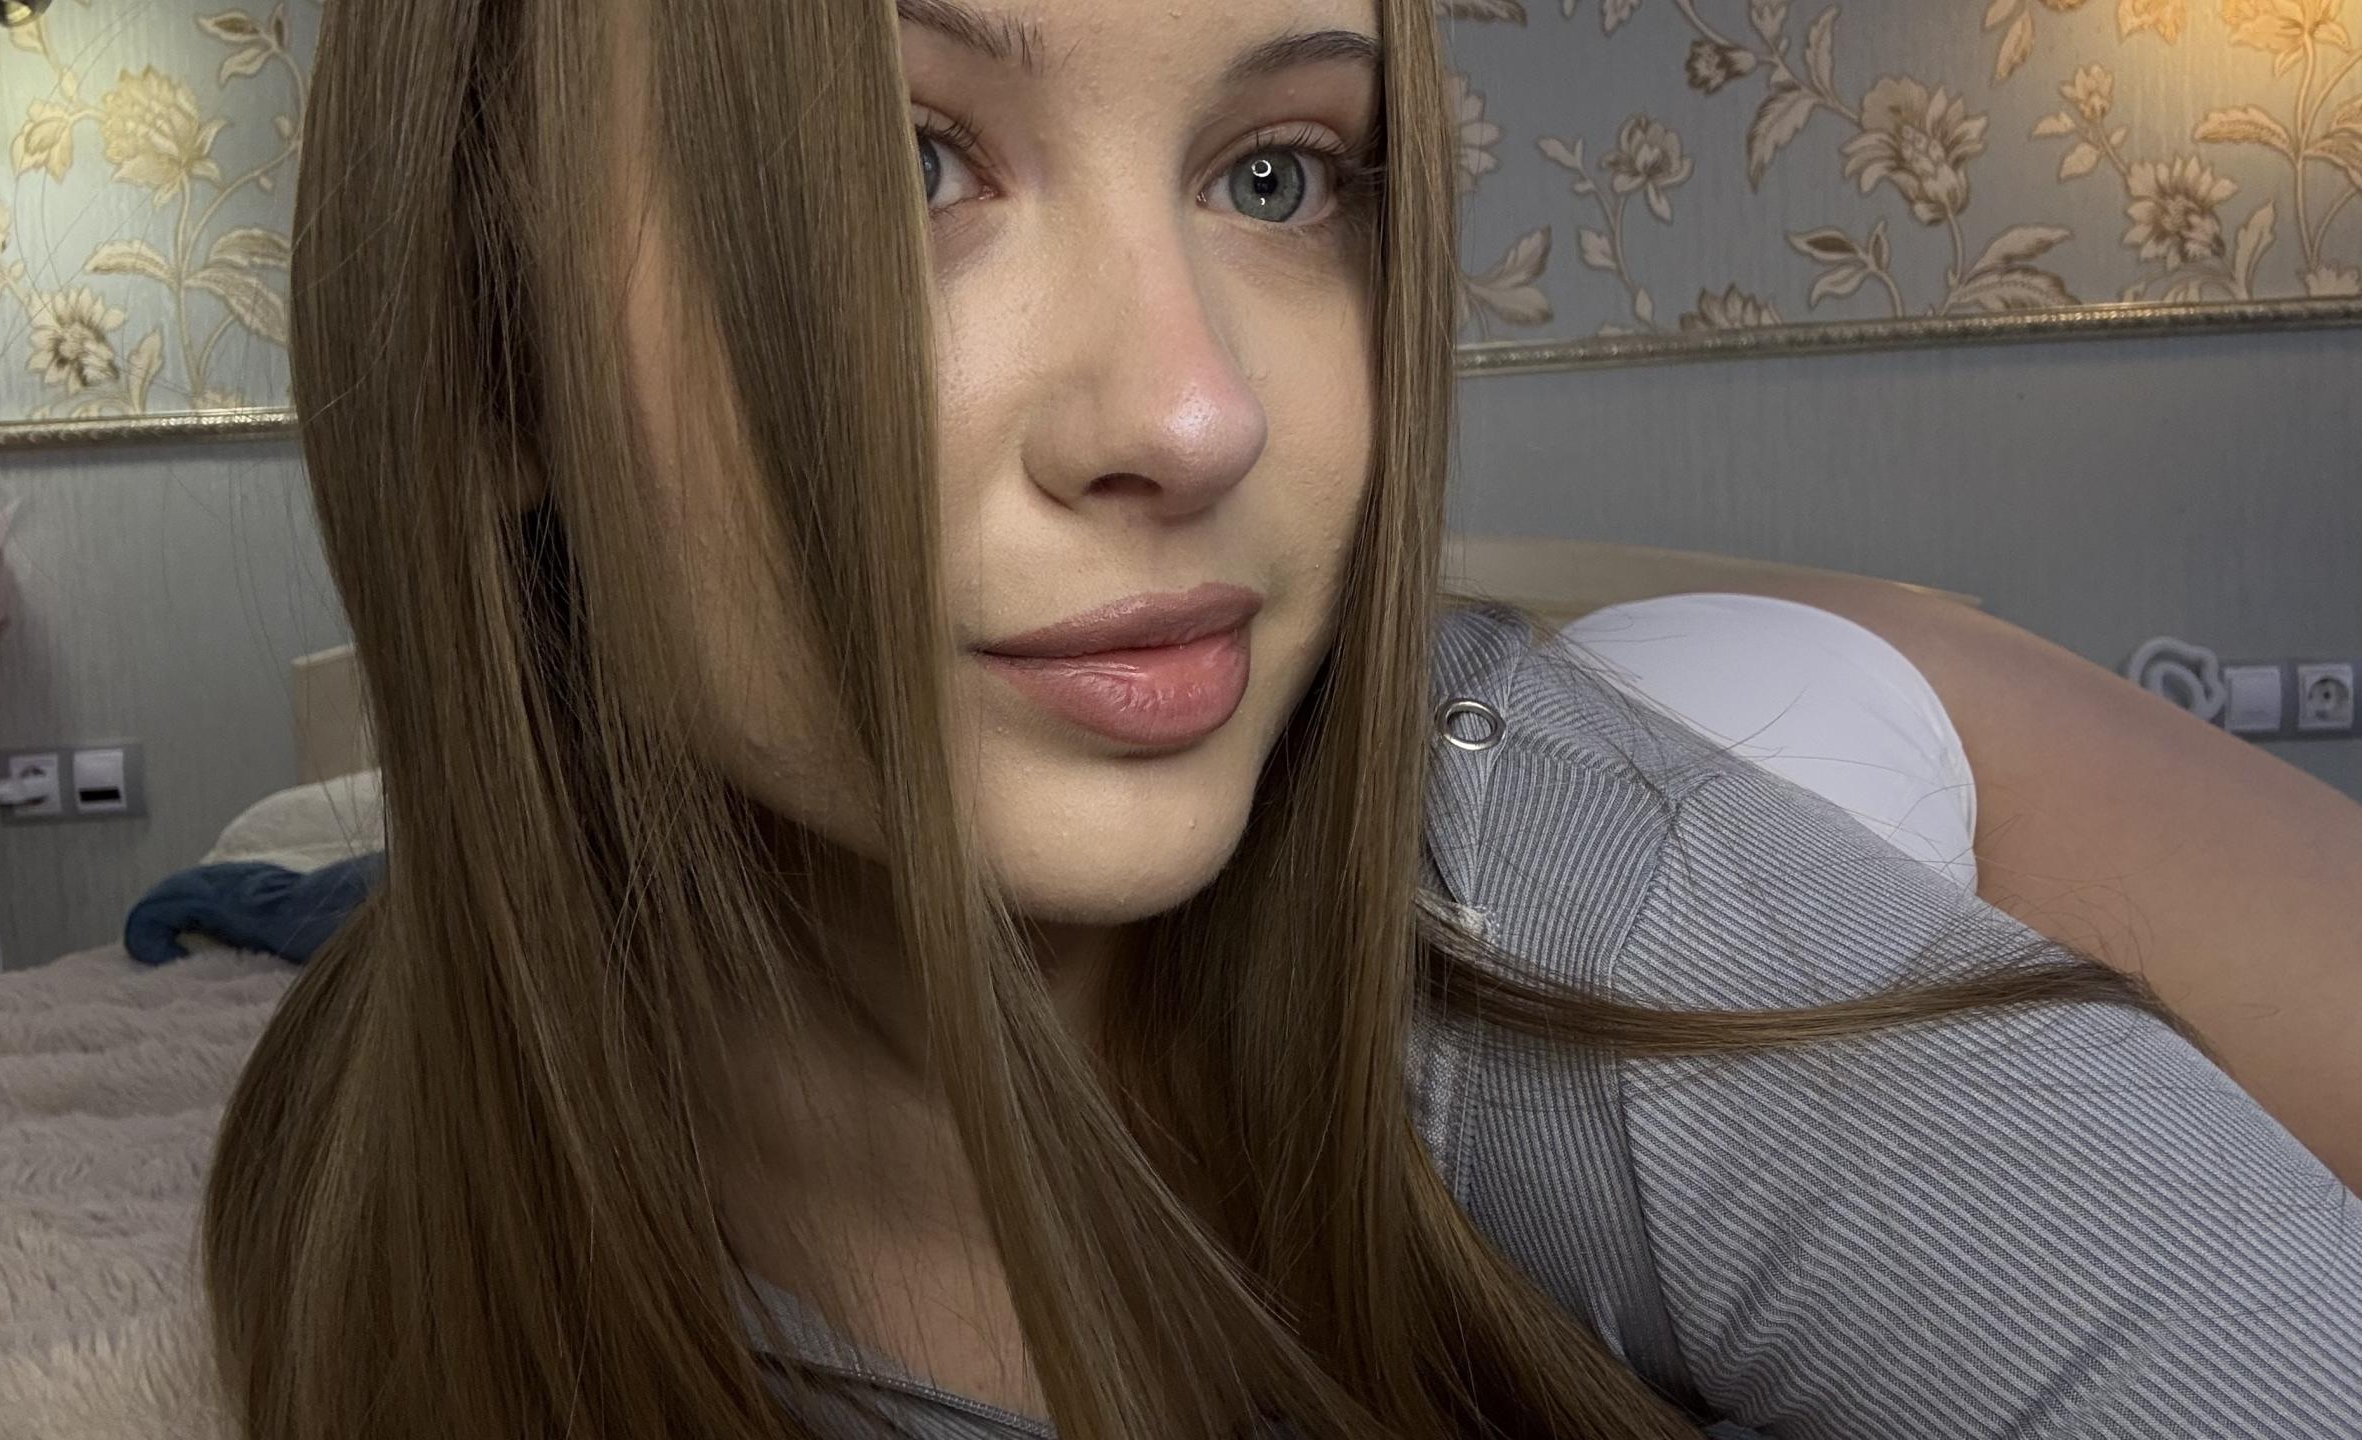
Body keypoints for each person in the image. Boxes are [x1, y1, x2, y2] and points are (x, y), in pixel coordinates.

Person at [202, 1, 2362, 1436]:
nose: (1197, 413)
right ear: (491, 345)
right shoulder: (366, 1161)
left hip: (1846, 708)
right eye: (900, 164)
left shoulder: (1584, 903)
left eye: (1276, 175)